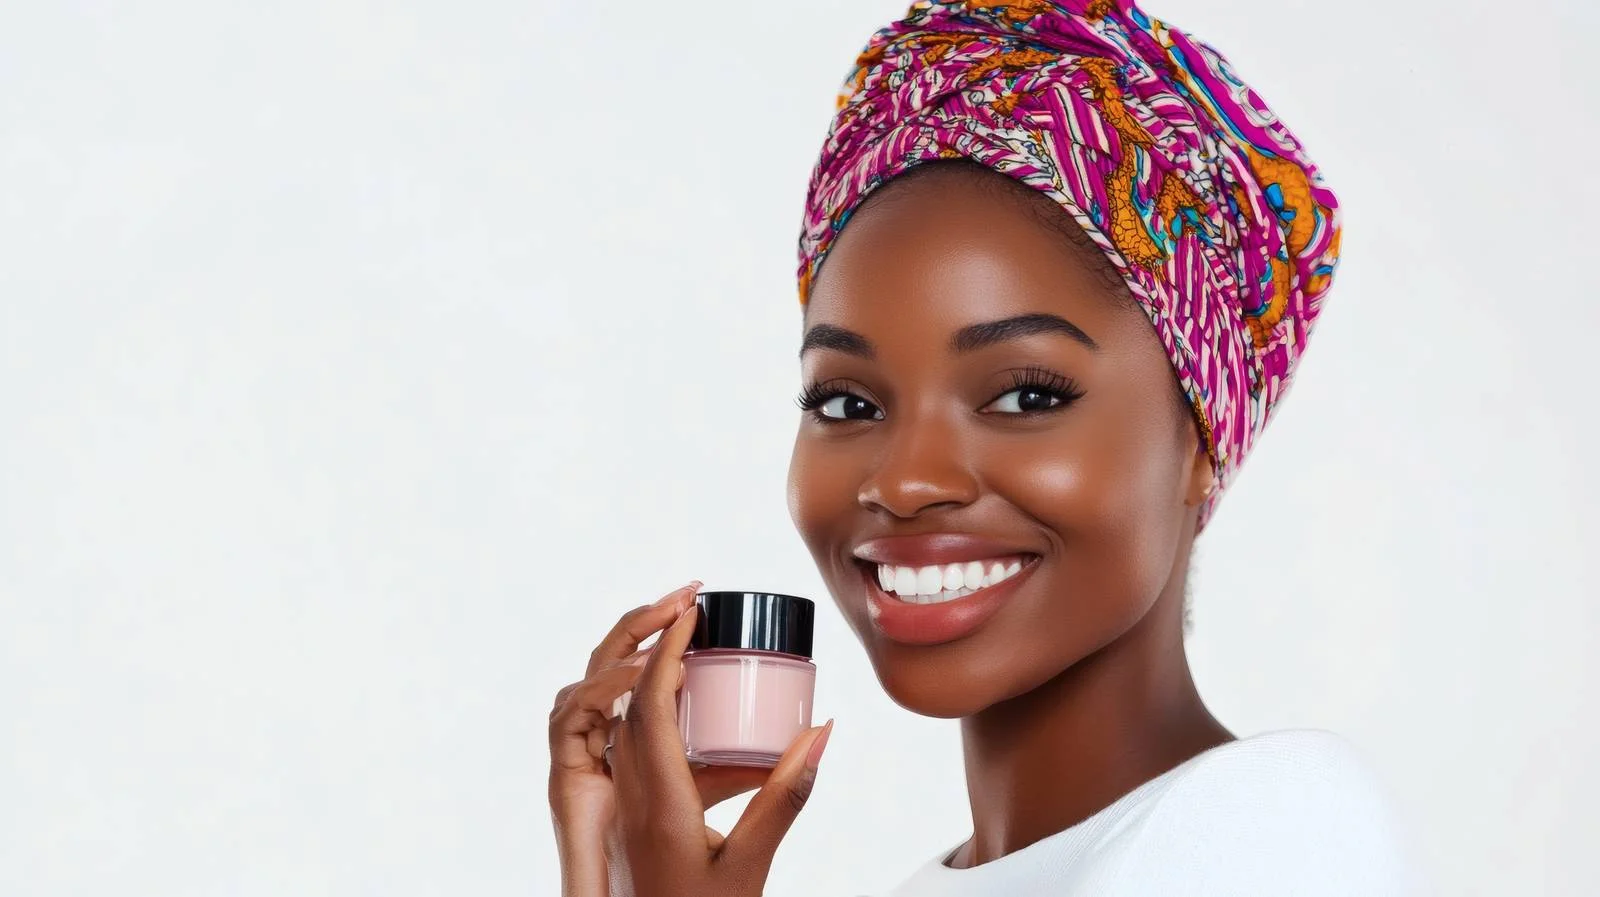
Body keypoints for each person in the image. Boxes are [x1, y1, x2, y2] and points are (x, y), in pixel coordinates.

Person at [548, 1, 1409, 894]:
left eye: (1025, 393)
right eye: (846, 401)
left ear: (1198, 435)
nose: (908, 479)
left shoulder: (1270, 830)